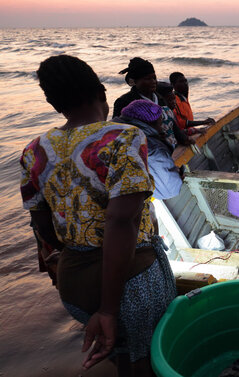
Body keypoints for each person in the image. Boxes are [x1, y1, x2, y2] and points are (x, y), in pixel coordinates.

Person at [20, 55, 176, 376]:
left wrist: (68, 267)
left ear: (55, 104)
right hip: (132, 284)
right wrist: (107, 308)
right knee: (145, 361)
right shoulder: (123, 137)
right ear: (102, 92)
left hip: (73, 286)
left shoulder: (34, 150)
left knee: (119, 354)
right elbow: (122, 221)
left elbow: (42, 227)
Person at [114, 99, 183, 200]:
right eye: (160, 124)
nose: (161, 129)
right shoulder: (153, 149)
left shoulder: (112, 131)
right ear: (150, 124)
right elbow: (170, 190)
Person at [156, 81, 197, 147]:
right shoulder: (165, 113)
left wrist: (194, 130)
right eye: (170, 100)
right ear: (161, 100)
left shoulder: (170, 112)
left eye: (174, 99)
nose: (174, 102)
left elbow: (177, 131)